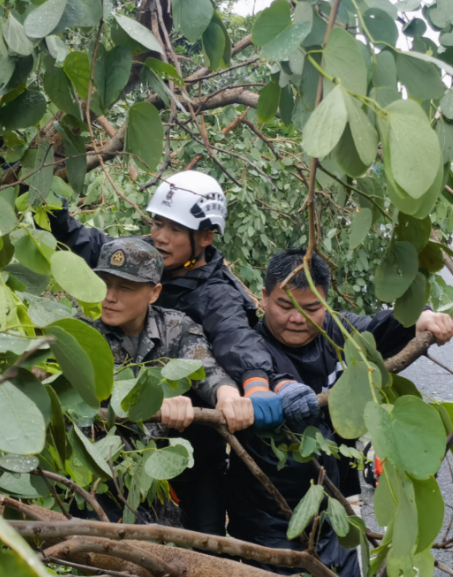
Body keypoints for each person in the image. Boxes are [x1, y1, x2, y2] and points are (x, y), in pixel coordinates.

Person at [51, 171, 300, 533]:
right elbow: (83, 241)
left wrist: (252, 388)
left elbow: (230, 345)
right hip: (118, 450)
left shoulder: (215, 294)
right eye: (157, 223)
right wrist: (48, 180)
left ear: (205, 237)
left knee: (202, 545)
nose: (160, 237)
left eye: (175, 229)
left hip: (190, 451)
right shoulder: (138, 258)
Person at [225, 248, 453, 575]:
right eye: (285, 305)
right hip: (265, 518)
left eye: (311, 308)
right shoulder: (246, 347)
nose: (297, 318)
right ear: (264, 297)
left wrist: (423, 317)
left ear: (327, 304)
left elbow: (381, 328)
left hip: (337, 506)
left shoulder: (338, 333)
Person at [83, 237, 253, 533]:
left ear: (154, 292)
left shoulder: (176, 326)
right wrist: (153, 407)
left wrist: (227, 396)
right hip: (101, 480)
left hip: (166, 479)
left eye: (125, 287)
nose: (110, 297)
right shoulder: (81, 333)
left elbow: (204, 366)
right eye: (104, 283)